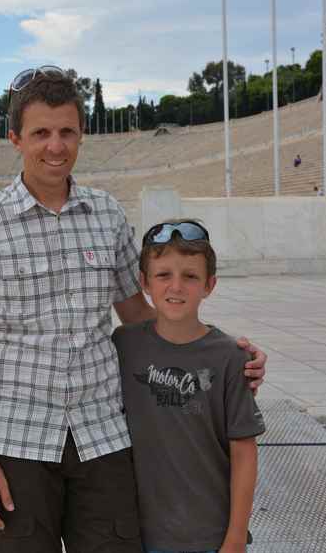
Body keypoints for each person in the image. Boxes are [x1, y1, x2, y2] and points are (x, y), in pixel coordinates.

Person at [0, 65, 267, 552]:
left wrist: (218, 353)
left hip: (103, 437)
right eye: (41, 133)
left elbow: (141, 316)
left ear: (81, 134)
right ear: (15, 139)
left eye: (67, 131)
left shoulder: (107, 215)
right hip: (18, 441)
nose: (56, 146)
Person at [113, 220, 264, 553]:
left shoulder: (229, 356)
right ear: (144, 283)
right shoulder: (123, 346)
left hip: (208, 536)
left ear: (209, 285)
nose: (176, 287)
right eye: (163, 275)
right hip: (135, 534)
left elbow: (244, 451)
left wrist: (236, 538)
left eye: (190, 276)